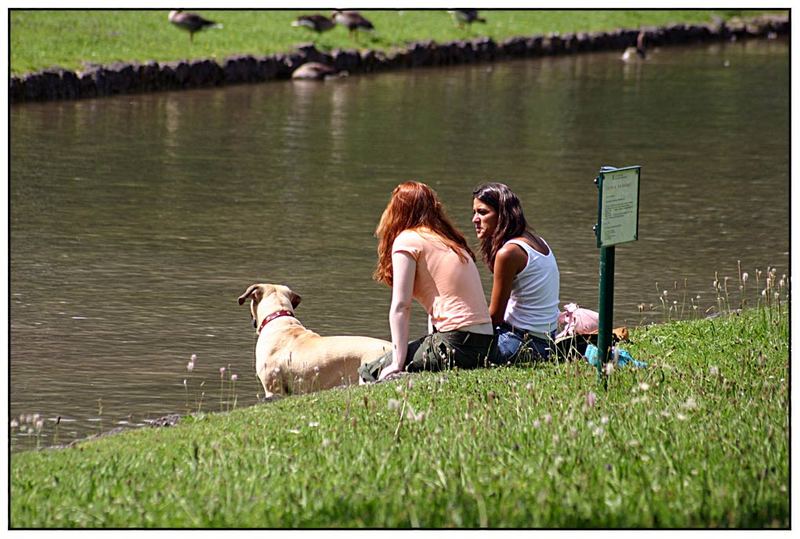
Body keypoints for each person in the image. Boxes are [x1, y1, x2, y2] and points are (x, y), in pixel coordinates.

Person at [359, 181, 498, 383]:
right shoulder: (446, 240)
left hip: (456, 343)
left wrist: (397, 363)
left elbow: (401, 307)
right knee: (417, 349)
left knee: (369, 371)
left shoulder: (407, 240)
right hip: (484, 343)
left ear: (397, 211)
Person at [471, 182, 560, 362]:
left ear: (502, 215)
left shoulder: (509, 253)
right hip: (546, 341)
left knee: (457, 348)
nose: (475, 219)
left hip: (522, 344)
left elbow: (495, 317)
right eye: (474, 212)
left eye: (482, 212)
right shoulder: (536, 240)